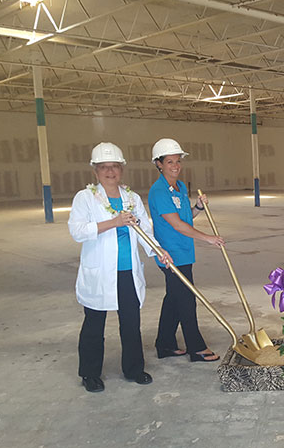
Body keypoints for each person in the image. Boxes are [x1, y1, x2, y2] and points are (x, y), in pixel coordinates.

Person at [68, 142, 172, 393]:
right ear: (95, 171)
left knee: (130, 322)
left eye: (115, 166)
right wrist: (113, 222)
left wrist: (158, 251)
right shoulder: (85, 198)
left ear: (122, 169)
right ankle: (90, 373)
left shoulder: (132, 198)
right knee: (94, 324)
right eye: (104, 167)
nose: (110, 172)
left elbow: (145, 230)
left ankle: (134, 368)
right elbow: (77, 231)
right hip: (100, 273)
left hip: (127, 271)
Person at [148, 138, 224, 362]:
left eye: (178, 161)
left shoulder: (179, 187)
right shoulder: (159, 191)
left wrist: (198, 207)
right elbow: (177, 225)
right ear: (159, 164)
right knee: (186, 300)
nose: (175, 165)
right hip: (170, 255)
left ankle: (165, 344)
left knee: (173, 299)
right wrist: (207, 238)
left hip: (184, 251)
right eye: (169, 161)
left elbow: (186, 217)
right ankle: (196, 348)